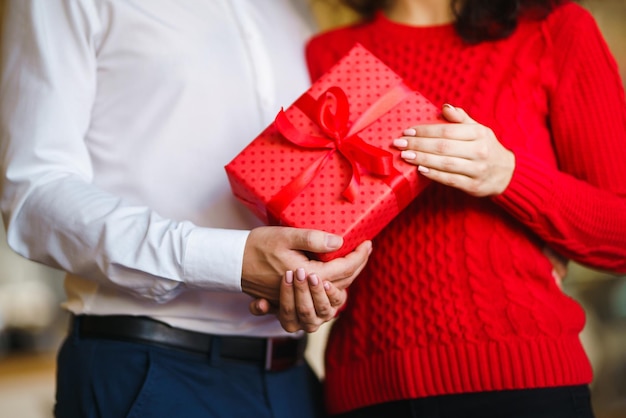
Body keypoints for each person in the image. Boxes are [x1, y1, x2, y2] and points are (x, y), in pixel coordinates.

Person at [0, 1, 372, 417]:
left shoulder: (296, 12)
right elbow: (34, 196)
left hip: (292, 378)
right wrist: (228, 260)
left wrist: (319, 271)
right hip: (146, 370)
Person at [290, 0, 626, 417]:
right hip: (370, 389)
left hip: (526, 382)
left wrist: (508, 175)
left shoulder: (554, 29)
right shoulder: (323, 51)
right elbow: (316, 234)